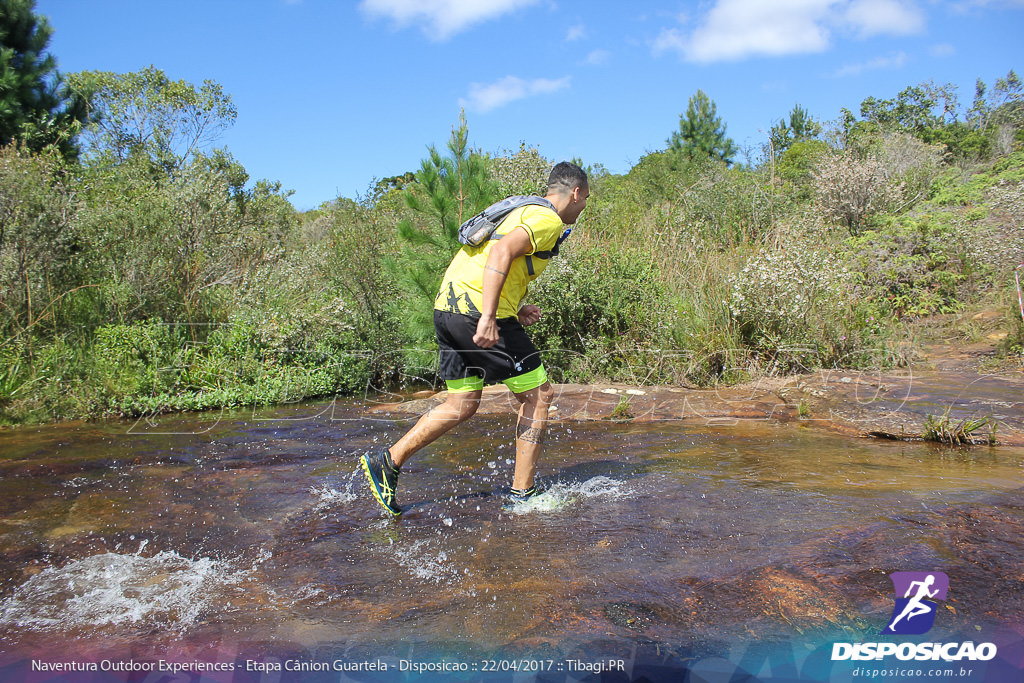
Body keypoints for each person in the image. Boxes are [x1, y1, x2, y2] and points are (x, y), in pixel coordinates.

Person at [361, 161, 590, 517]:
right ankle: (522, 494)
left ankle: (387, 462)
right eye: (585, 199)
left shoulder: (521, 210)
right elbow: (499, 253)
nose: (584, 207)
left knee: (462, 403)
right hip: (475, 312)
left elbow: (491, 259)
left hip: (447, 308)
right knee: (539, 396)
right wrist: (488, 316)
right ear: (576, 192)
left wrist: (514, 309)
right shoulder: (548, 219)